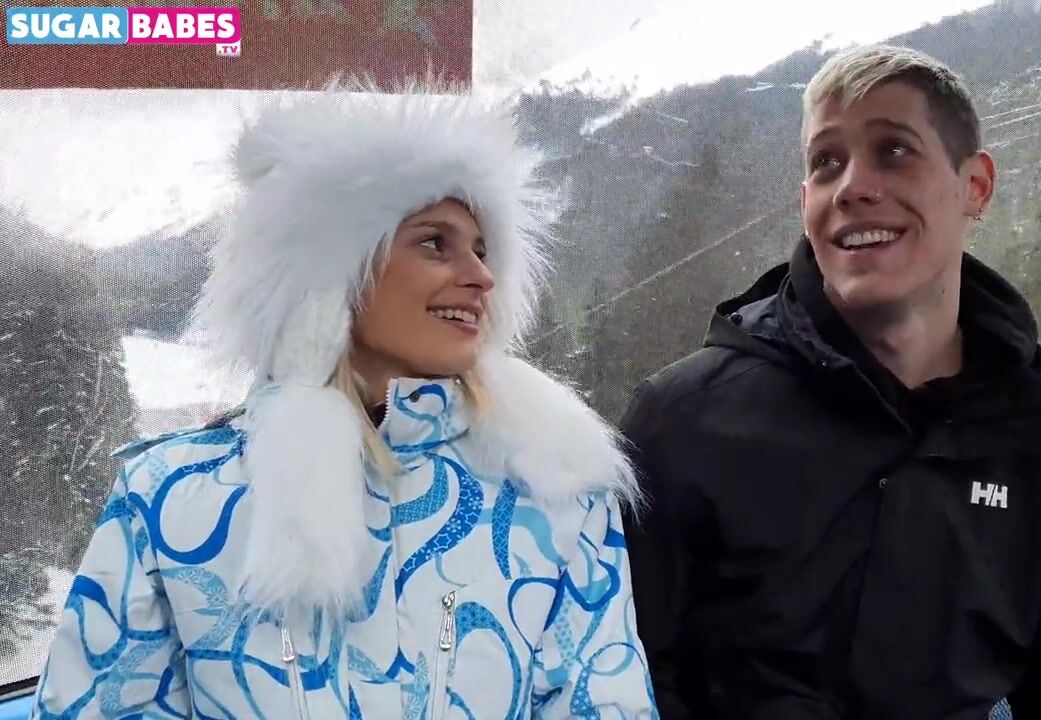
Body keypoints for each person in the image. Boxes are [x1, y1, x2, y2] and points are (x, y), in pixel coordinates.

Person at [33, 84, 656, 719]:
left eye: (482, 248)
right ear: (330, 273)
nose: (481, 276)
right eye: (435, 242)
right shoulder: (171, 495)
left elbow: (606, 703)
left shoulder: (553, 490)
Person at [620, 45, 1041, 719]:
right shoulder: (684, 423)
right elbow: (616, 682)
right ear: (806, 203)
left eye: (894, 151)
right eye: (826, 162)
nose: (853, 186)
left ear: (975, 186)